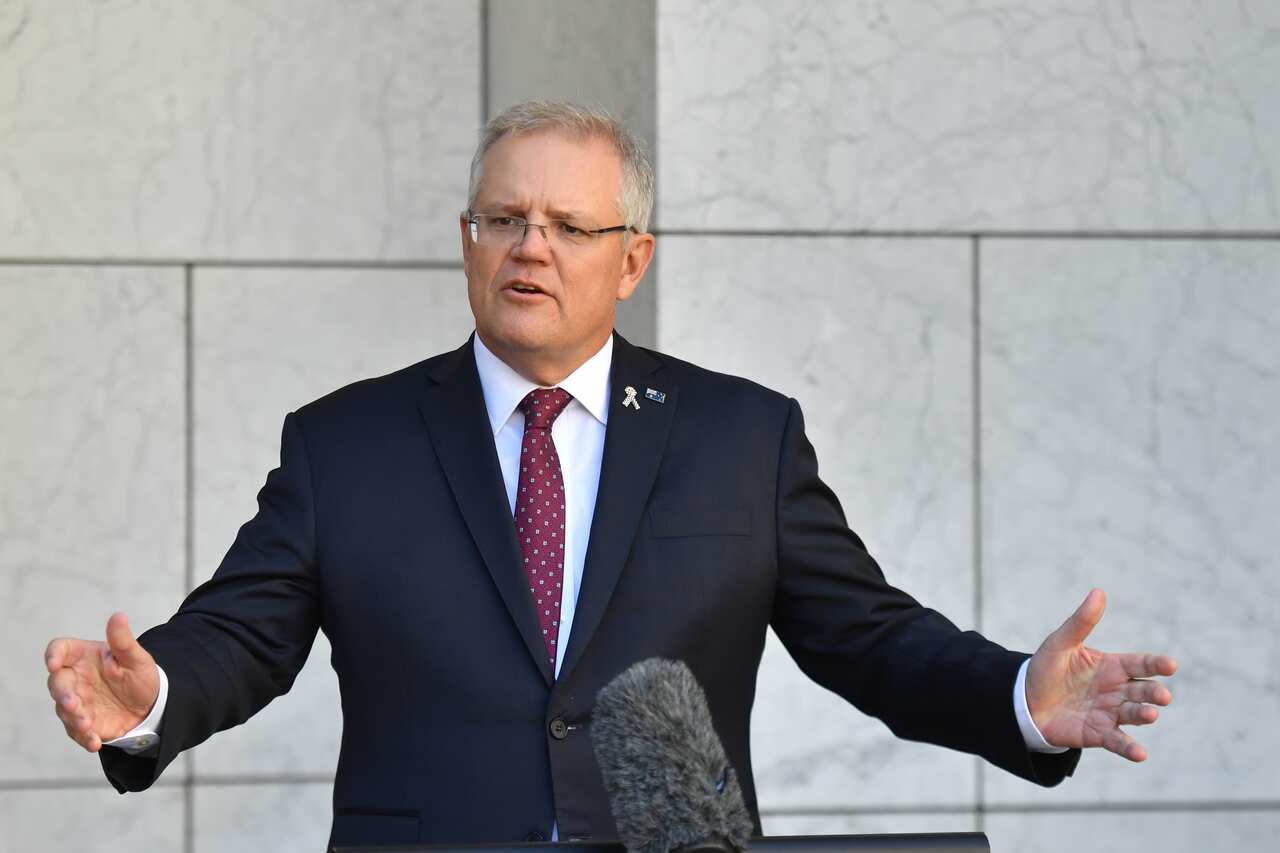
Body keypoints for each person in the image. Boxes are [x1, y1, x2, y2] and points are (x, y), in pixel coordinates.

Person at [44, 101, 1177, 848]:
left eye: (566, 225)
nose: (528, 245)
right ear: (467, 240)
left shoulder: (741, 438)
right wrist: (153, 697)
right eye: (502, 218)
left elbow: (870, 638)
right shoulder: (348, 442)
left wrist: (1016, 696)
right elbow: (240, 634)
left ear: (631, 259)